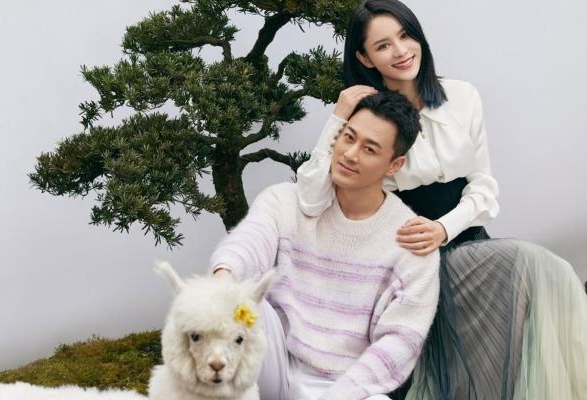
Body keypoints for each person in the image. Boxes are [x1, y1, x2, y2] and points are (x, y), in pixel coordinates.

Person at [296, 1, 587, 399]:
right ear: (364, 58)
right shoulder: (365, 118)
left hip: (469, 246)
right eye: (383, 46)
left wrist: (443, 228)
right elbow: (311, 198)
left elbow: (482, 187)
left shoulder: (462, 96)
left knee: (529, 299)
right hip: (408, 263)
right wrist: (338, 116)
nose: (400, 51)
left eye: (405, 35)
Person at [211, 91, 440, 400]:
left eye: (369, 149)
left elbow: (399, 343)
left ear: (394, 165)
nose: (350, 154)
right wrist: (223, 277)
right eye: (349, 137)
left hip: (341, 386)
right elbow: (250, 241)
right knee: (241, 297)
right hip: (270, 363)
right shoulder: (285, 200)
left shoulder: (413, 241)